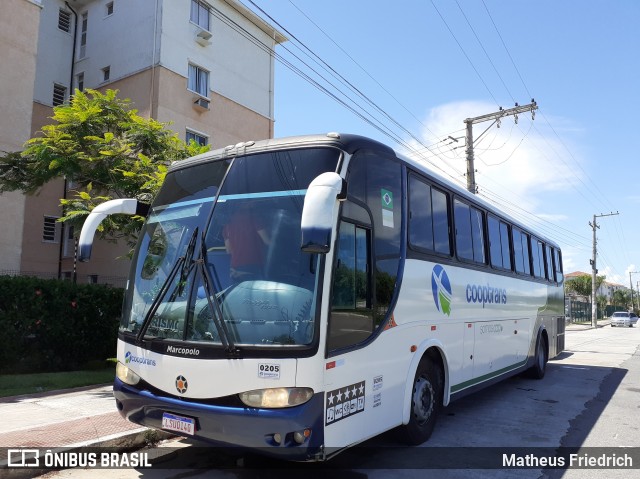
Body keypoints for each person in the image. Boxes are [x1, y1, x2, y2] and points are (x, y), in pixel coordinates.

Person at [222, 203, 270, 282]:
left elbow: (229, 250)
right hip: (254, 266)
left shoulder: (227, 226)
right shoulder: (255, 219)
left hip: (235, 269)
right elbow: (268, 242)